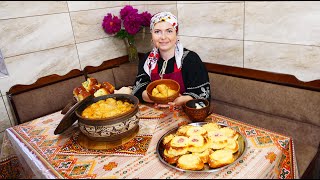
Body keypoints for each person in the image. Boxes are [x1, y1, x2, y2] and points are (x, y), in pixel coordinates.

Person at [132, 11, 211, 106]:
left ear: (176, 34)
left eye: (169, 31)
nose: (163, 37)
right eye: (157, 32)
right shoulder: (147, 60)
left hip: (184, 114)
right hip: (155, 113)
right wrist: (157, 98)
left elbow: (202, 95)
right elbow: (139, 89)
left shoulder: (191, 59)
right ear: (152, 35)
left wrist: (179, 100)